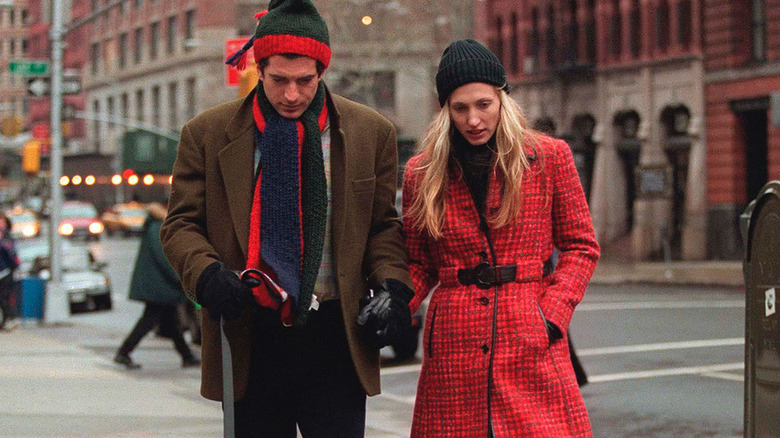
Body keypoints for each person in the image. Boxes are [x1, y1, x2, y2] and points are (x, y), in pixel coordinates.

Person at [160, 0, 413, 436]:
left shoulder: (372, 132)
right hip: (249, 335)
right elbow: (180, 224)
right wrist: (206, 274)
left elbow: (382, 227)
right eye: (278, 80)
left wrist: (393, 285)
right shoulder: (207, 133)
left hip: (336, 337)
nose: (292, 94)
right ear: (258, 68)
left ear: (322, 72)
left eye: (305, 81)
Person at [402, 39, 600, 437]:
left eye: (483, 104)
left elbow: (581, 246)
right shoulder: (421, 173)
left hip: (529, 326)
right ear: (445, 111)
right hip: (453, 341)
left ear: (501, 99)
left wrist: (551, 315)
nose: (473, 119)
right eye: (460, 108)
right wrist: (396, 307)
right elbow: (418, 262)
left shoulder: (548, 157)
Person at [114, 202, 200, 369]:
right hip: (158, 285)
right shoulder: (158, 228)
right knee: (149, 319)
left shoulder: (155, 226)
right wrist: (179, 278)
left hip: (158, 283)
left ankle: (186, 355)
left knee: (171, 321)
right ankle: (124, 352)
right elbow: (165, 258)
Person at [0, 214, 19, 330]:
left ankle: (10, 318)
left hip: (5, 272)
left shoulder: (7, 238)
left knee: (4, 297)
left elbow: (11, 255)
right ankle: (6, 320)